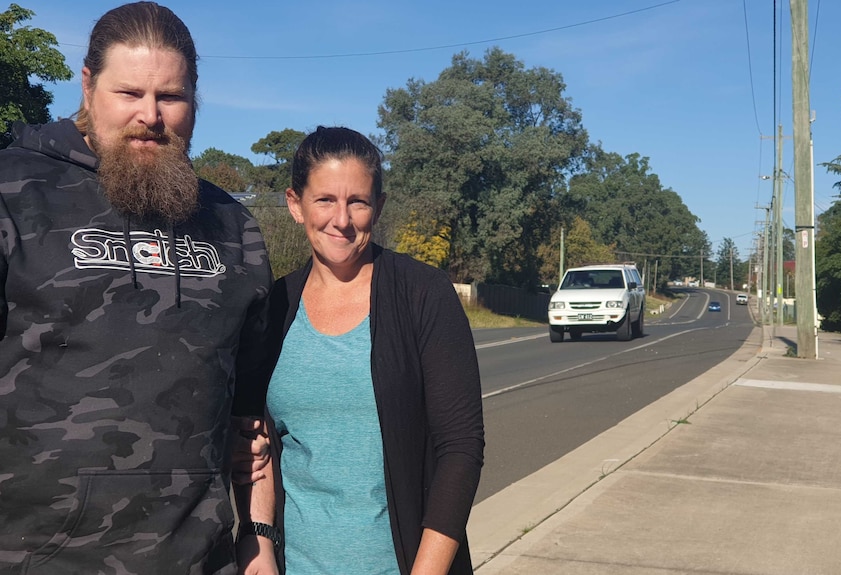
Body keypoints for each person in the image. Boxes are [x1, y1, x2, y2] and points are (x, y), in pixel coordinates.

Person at [0, 3, 273, 573]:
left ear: (194, 99)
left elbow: (249, 419)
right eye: (129, 93)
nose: (150, 115)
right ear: (87, 84)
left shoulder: (233, 227)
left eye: (170, 97)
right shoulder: (14, 192)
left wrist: (260, 540)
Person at [236, 127, 485, 575]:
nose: (342, 219)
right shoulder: (272, 307)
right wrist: (260, 542)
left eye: (358, 201)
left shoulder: (423, 294)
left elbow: (461, 449)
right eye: (325, 200)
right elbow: (258, 442)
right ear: (296, 204)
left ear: (379, 206)